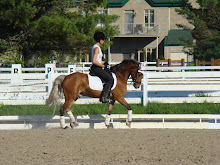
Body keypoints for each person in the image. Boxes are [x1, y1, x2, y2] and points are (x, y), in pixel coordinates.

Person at [90, 32, 113, 103]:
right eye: (102, 39)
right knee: (110, 79)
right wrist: (103, 66)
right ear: (99, 40)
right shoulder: (96, 48)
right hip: (96, 68)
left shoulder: (95, 47)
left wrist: (104, 62)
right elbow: (94, 61)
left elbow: (98, 60)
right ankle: (104, 97)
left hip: (97, 67)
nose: (103, 41)